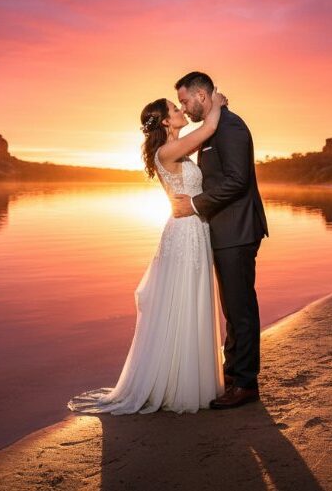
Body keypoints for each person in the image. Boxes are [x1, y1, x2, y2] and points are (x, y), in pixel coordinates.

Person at [67, 89, 227, 414]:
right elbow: (209, 129)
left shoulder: (176, 150)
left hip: (192, 230)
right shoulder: (167, 151)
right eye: (174, 108)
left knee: (191, 300)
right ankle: (177, 385)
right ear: (166, 121)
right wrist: (217, 103)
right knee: (183, 300)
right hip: (184, 234)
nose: (181, 109)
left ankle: (187, 378)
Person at [170, 71, 269, 409]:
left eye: (185, 101)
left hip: (237, 231)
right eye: (179, 103)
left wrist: (195, 205)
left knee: (240, 308)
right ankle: (233, 375)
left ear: (201, 95)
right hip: (224, 230)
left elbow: (238, 181)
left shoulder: (231, 127)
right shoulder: (216, 125)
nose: (184, 106)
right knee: (232, 306)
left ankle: (245, 384)